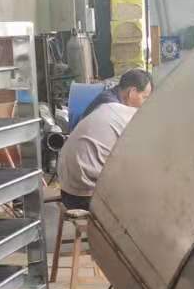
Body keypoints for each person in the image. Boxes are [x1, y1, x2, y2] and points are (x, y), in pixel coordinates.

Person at [57, 69, 153, 211]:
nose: (145, 104)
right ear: (132, 93)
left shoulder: (107, 101)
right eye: (145, 98)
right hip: (85, 197)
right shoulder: (119, 110)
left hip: (67, 188)